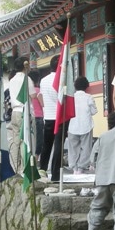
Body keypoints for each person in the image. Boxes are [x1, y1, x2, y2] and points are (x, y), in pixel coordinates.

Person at [40, 54, 68, 182]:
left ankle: (42, 170)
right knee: (58, 146)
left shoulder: (43, 80)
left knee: (47, 145)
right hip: (60, 117)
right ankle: (55, 174)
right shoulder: (62, 80)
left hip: (48, 116)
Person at [7, 56, 37, 175]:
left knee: (16, 140)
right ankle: (26, 168)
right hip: (24, 112)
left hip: (14, 112)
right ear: (26, 66)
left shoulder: (12, 80)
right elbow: (33, 95)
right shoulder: (26, 79)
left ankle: (16, 167)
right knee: (26, 140)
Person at [68, 76, 98, 174]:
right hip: (86, 125)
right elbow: (94, 111)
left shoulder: (71, 97)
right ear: (86, 86)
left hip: (72, 125)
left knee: (73, 147)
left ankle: (74, 167)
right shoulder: (89, 97)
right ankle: (82, 167)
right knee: (86, 147)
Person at [29, 70, 45, 159]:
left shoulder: (27, 91)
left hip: (30, 117)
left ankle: (31, 158)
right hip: (38, 117)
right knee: (39, 139)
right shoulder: (38, 91)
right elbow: (42, 104)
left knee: (31, 138)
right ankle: (36, 158)